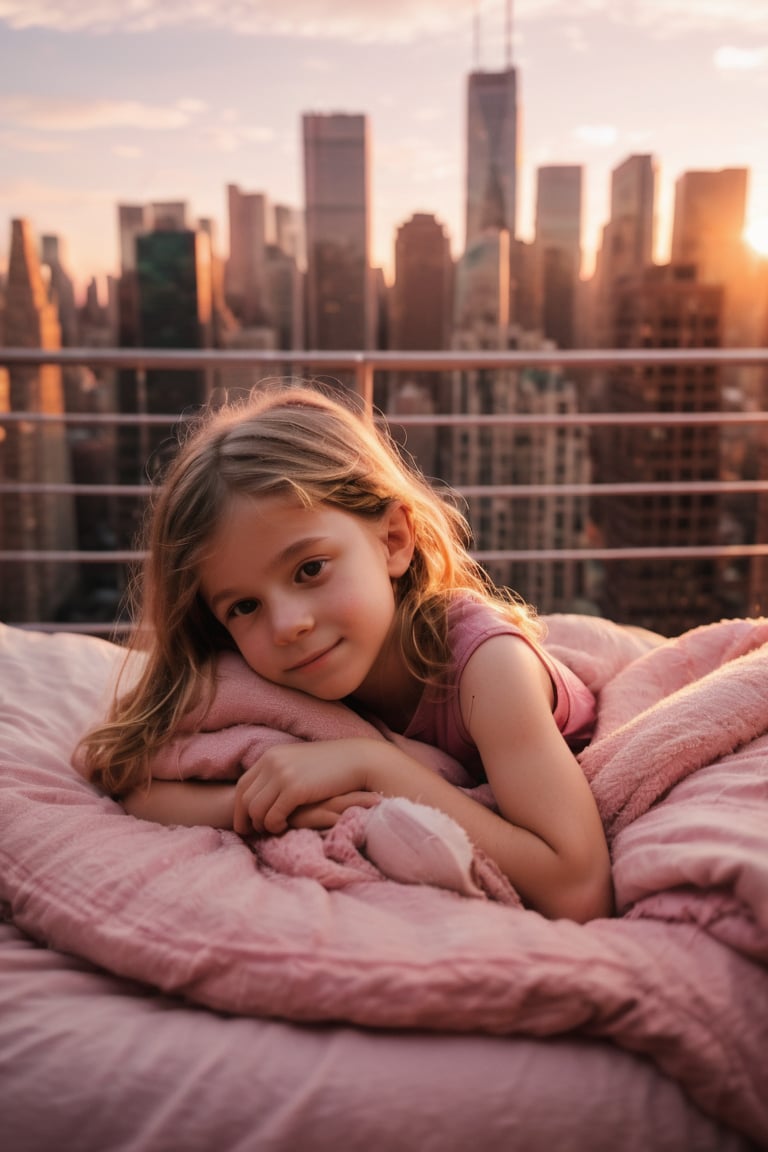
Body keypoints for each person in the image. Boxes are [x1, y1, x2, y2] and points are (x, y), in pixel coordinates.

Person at [78, 382, 613, 922]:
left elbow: (578, 886)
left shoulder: (486, 669)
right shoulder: (261, 674)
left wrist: (368, 764)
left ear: (393, 541)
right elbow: (135, 778)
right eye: (243, 606)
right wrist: (256, 805)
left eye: (310, 569)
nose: (287, 625)